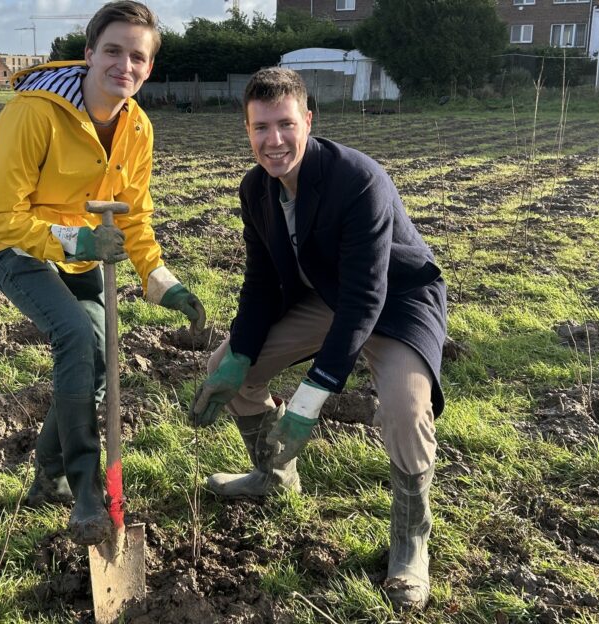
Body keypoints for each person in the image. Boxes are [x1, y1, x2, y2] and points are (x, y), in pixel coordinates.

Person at [189, 67, 447, 610]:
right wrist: (239, 356)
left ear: (309, 120)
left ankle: (410, 543)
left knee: (403, 407)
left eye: (286, 123)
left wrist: (309, 400)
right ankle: (272, 475)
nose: (274, 140)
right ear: (247, 129)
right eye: (260, 127)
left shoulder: (357, 179)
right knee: (227, 367)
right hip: (327, 298)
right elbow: (260, 285)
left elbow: (365, 300)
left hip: (394, 303)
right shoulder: (256, 189)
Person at [0, 0, 205, 546]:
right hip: (8, 243)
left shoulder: (137, 127)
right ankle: (86, 489)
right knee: (73, 334)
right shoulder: (33, 112)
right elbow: (3, 213)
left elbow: (133, 215)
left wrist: (161, 280)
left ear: (149, 68)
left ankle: (46, 475)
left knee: (98, 353)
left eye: (138, 57)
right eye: (114, 50)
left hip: (76, 246)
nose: (125, 64)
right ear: (90, 54)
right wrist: (80, 240)